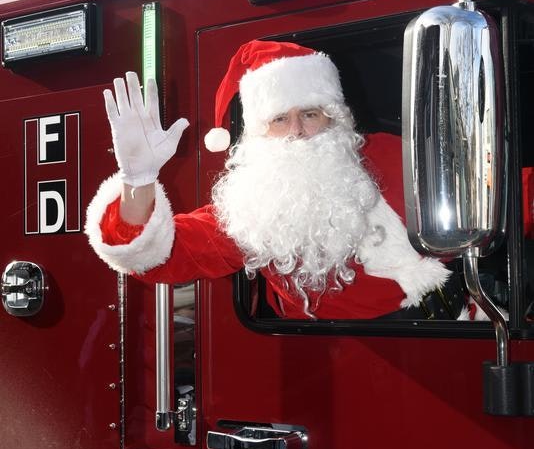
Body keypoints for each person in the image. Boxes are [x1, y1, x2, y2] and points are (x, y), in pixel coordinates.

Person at [85, 39, 465, 320]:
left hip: (450, 330)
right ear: (258, 133)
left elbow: (491, 193)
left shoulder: (393, 154)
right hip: (342, 364)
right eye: (280, 119)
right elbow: (160, 257)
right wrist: (140, 179)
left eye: (311, 114)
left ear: (334, 117)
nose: (298, 131)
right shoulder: (255, 206)